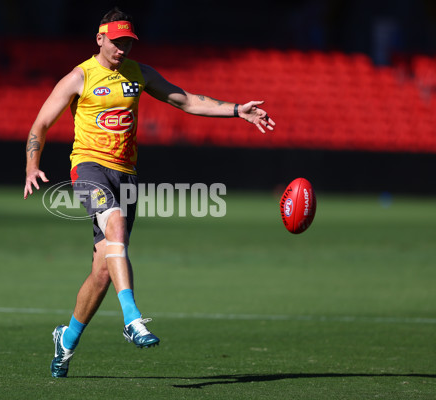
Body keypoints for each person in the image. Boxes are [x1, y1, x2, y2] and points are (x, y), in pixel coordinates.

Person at [23, 7, 276, 378]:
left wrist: (238, 110)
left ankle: (67, 339)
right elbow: (41, 123)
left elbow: (186, 100)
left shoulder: (138, 74)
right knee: (117, 230)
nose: (123, 48)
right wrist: (32, 165)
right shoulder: (80, 76)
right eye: (117, 41)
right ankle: (132, 319)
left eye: (128, 42)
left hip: (126, 176)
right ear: (100, 38)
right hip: (88, 169)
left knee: (103, 271)